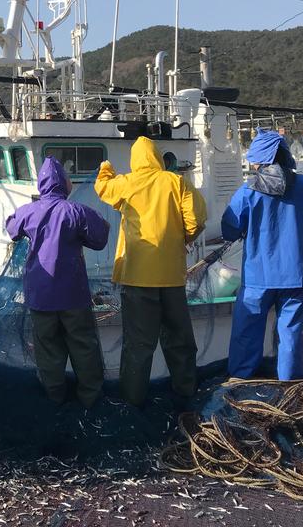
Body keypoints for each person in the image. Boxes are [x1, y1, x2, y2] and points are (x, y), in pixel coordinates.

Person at [94, 137, 207, 407]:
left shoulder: (127, 183)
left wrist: (106, 167)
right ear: (156, 156)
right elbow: (197, 219)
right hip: (170, 276)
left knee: (138, 345)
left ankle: (133, 402)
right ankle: (186, 393)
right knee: (179, 340)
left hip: (136, 277)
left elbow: (102, 187)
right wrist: (182, 238)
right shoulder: (175, 181)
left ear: (135, 160)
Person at [222, 130, 303, 381]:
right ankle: (289, 382)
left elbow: (230, 228)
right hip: (296, 273)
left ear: (260, 159)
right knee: (291, 332)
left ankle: (240, 380)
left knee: (247, 330)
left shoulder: (248, 191)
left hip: (258, 275)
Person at [5, 157, 110, 407]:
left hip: (41, 294)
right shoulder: (76, 211)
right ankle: (89, 398)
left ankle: (54, 398)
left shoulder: (29, 211)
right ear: (64, 183)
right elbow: (100, 237)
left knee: (47, 349)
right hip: (73, 294)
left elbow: (11, 229)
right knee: (83, 346)